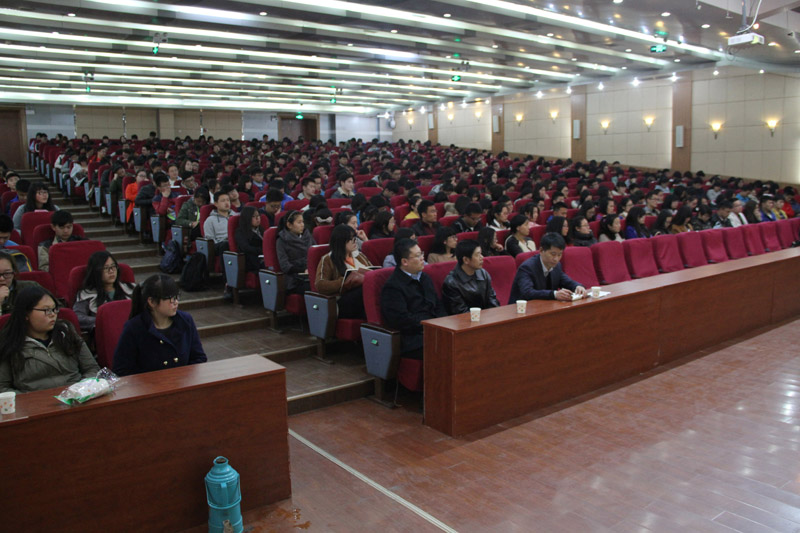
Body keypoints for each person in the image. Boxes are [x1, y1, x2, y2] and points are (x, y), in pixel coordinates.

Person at [0, 285, 99, 393]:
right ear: (26, 313)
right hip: (34, 401)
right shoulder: (9, 343)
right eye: (46, 310)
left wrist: (81, 390)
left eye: (54, 309)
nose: (52, 315)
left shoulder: (67, 333)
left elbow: (92, 369)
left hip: (76, 396)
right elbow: (2, 388)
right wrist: (30, 400)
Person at [112, 274, 206, 376]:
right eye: (170, 298)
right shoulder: (134, 327)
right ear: (152, 302)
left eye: (176, 297)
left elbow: (199, 358)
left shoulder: (185, 320)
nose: (176, 302)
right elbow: (121, 370)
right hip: (148, 384)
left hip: (183, 381)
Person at [380, 238, 446, 359]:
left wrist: (444, 324)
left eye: (422, 254)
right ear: (404, 261)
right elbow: (402, 321)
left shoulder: (424, 277)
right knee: (448, 346)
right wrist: (431, 325)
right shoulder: (393, 287)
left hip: (432, 329)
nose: (422, 259)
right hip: (412, 339)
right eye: (417, 256)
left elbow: (437, 304)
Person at [314, 224, 373, 319]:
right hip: (342, 300)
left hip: (361, 297)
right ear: (341, 241)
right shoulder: (328, 259)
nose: (355, 241)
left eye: (355, 238)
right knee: (364, 290)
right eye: (351, 239)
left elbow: (372, 271)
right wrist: (344, 281)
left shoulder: (359, 256)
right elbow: (320, 285)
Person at [508, 232, 586, 303]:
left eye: (559, 255)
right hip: (523, 309)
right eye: (553, 254)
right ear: (541, 250)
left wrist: (577, 287)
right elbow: (527, 292)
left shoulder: (557, 266)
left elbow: (566, 281)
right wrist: (554, 294)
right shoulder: (527, 268)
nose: (556, 259)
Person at [73, 251, 135, 332]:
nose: (111, 271)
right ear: (96, 271)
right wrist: (105, 321)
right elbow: (78, 317)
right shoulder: (86, 294)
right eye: (106, 268)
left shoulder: (131, 288)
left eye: (113, 266)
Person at [442, 239, 500, 315]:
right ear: (466, 260)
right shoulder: (451, 282)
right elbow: (460, 312)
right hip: (465, 320)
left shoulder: (483, 273)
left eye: (481, 253)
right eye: (477, 255)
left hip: (486, 318)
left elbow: (492, 300)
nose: (482, 257)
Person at [276, 210, 315, 294]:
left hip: (310, 272)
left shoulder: (307, 236)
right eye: (299, 222)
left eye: (303, 222)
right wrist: (303, 270)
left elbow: (316, 253)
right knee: (312, 287)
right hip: (294, 278)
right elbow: (285, 265)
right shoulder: (281, 240)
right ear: (289, 225)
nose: (302, 225)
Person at [234, 206, 264, 273]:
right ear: (247, 218)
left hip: (263, 256)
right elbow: (246, 248)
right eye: (253, 216)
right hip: (251, 260)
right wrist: (262, 251)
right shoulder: (240, 232)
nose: (257, 218)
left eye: (258, 216)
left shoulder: (261, 230)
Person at [202, 190, 231, 258]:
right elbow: (210, 240)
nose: (226, 203)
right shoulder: (210, 220)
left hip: (234, 241)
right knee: (225, 244)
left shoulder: (235, 216)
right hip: (219, 244)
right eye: (223, 201)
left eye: (228, 200)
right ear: (216, 204)